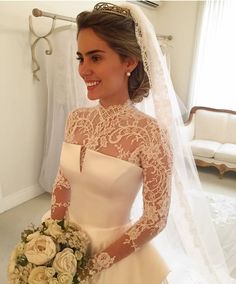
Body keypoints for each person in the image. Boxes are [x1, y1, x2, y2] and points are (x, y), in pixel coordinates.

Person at [49, 2, 235, 284]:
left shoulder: (151, 134)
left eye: (95, 58)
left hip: (113, 257)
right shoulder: (77, 119)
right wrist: (53, 236)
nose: (84, 69)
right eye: (80, 58)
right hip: (62, 243)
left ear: (129, 62)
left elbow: (154, 218)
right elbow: (63, 182)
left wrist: (91, 264)